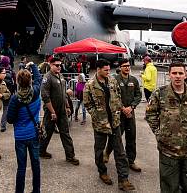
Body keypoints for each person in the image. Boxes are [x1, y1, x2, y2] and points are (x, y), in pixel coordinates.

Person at [146, 62, 187, 193]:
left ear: (185, 75)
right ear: (169, 75)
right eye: (174, 73)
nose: (177, 76)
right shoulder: (160, 93)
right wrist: (160, 134)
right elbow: (150, 114)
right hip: (167, 150)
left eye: (180, 73)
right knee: (169, 187)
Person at [83, 59, 135, 191]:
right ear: (98, 69)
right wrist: (96, 116)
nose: (108, 72)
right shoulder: (89, 85)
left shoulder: (112, 81)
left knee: (120, 152)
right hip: (100, 125)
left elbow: (117, 96)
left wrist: (121, 109)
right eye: (105, 70)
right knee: (99, 152)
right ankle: (102, 172)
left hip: (115, 122)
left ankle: (123, 179)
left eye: (108, 69)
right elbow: (88, 104)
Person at [6, 62, 42, 193]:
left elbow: (9, 119)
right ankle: (36, 190)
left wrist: (19, 118)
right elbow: (39, 78)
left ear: (18, 82)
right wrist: (33, 65)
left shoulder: (15, 99)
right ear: (30, 81)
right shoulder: (36, 91)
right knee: (36, 164)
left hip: (20, 136)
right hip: (34, 133)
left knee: (21, 167)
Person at [39, 57, 79, 165]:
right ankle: (41, 151)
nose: (59, 67)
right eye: (56, 65)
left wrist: (67, 106)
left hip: (61, 111)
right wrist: (52, 112)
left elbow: (64, 93)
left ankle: (70, 156)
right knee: (47, 133)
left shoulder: (61, 76)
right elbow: (45, 96)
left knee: (65, 133)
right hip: (51, 112)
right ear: (51, 65)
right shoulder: (47, 78)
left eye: (60, 65)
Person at [104, 59, 142, 172]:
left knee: (131, 137)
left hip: (130, 113)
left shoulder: (134, 80)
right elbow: (112, 95)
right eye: (124, 66)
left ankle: (131, 161)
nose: (127, 68)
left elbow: (138, 95)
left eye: (128, 66)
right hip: (118, 113)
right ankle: (107, 152)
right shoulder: (114, 79)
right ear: (120, 67)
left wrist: (132, 107)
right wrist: (122, 107)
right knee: (115, 136)